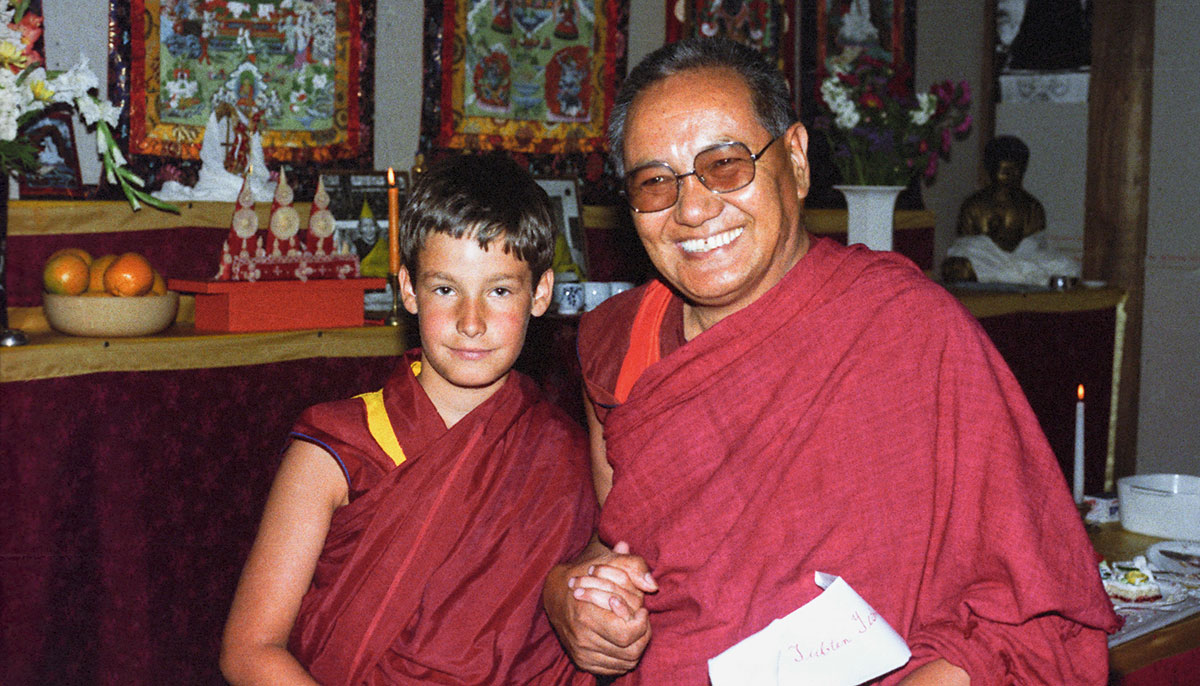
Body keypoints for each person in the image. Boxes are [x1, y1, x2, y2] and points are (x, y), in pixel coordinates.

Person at [542, 37, 1119, 685]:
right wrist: (567, 594)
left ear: (794, 158)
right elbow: (618, 544)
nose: (694, 209)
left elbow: (1030, 615)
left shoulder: (906, 330)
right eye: (655, 183)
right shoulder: (619, 341)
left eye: (726, 165)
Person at [221, 153, 597, 685]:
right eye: (446, 289)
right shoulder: (336, 448)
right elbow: (250, 650)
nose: (472, 322)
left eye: (499, 290)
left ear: (540, 293)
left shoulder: (563, 455)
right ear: (408, 290)